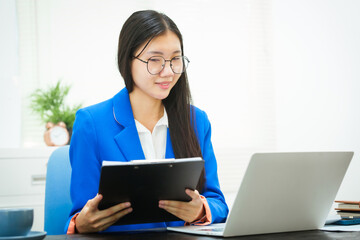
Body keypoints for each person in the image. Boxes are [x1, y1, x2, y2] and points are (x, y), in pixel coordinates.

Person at [65, 10, 228, 234]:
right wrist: (81, 224)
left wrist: (201, 210)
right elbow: (79, 215)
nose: (168, 71)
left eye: (175, 59)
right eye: (155, 60)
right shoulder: (91, 123)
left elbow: (218, 203)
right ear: (127, 59)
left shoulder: (196, 120)